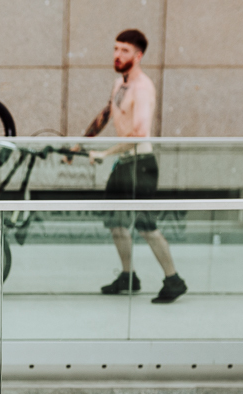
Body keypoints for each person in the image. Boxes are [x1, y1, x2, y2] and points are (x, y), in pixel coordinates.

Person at [83, 29, 187, 304]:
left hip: (140, 164)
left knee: (145, 225)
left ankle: (173, 279)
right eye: (116, 48)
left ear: (138, 56)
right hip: (123, 162)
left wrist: (104, 153)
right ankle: (128, 276)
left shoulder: (142, 88)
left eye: (125, 50)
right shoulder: (121, 84)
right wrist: (80, 143)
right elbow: (107, 113)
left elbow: (139, 134)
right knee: (116, 224)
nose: (117, 55)